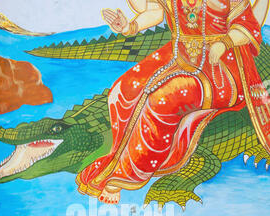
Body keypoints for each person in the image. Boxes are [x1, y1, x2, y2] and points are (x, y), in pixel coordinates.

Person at [76, 0, 270, 204]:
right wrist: (128, 27)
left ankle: (126, 176)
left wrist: (224, 43)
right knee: (124, 89)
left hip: (220, 67)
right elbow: (154, 12)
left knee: (161, 100)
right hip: (179, 57)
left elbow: (247, 27)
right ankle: (118, 159)